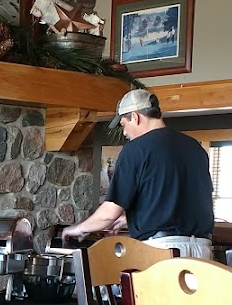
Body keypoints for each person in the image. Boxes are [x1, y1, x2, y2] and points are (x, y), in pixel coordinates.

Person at [61, 88, 215, 257]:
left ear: (135, 117)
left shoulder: (135, 150)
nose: (125, 132)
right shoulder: (195, 148)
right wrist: (132, 220)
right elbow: (179, 203)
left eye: (123, 125)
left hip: (161, 250)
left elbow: (109, 214)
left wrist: (78, 229)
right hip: (202, 250)